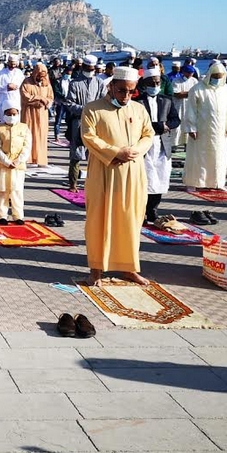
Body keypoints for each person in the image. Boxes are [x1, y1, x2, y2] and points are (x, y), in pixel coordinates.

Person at [81, 66, 155, 286]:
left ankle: (129, 268)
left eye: (131, 91)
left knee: (130, 219)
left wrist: (135, 151)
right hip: (103, 173)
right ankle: (96, 270)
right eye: (122, 90)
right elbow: (88, 137)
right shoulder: (93, 109)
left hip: (132, 173)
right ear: (111, 86)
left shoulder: (139, 109)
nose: (126, 96)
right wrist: (115, 152)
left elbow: (148, 135)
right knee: (99, 219)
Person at [135, 68, 181, 223]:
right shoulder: (137, 102)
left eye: (158, 83)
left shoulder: (166, 100)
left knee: (159, 180)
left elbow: (176, 120)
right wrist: (159, 126)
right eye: (152, 83)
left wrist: (167, 125)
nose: (155, 85)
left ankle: (153, 211)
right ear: (145, 84)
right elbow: (136, 123)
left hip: (162, 146)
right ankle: (141, 212)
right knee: (145, 180)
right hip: (144, 146)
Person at [183, 61, 227, 192]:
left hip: (219, 132)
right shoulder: (198, 89)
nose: (217, 79)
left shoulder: (226, 90)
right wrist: (191, 128)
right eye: (215, 76)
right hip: (201, 131)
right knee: (198, 156)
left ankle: (217, 182)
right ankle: (193, 182)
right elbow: (190, 110)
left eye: (220, 77)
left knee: (219, 156)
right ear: (210, 75)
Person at [63, 55, 107, 192]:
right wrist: (85, 109)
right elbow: (69, 103)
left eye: (92, 68)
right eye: (88, 68)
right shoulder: (74, 83)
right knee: (76, 154)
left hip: (95, 122)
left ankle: (94, 182)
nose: (90, 70)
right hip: (78, 122)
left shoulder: (99, 83)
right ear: (83, 67)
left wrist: (96, 111)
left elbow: (104, 100)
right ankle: (73, 184)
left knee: (95, 154)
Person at [0, 99, 32, 224]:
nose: (11, 116)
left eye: (14, 114)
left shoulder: (24, 128)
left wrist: (18, 161)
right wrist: (6, 161)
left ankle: (18, 216)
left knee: (17, 191)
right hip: (3, 165)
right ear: (4, 114)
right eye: (9, 114)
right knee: (1, 190)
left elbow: (27, 147)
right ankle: (2, 215)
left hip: (18, 166)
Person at [20, 62, 54, 166]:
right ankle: (28, 157)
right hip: (29, 113)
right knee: (29, 134)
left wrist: (45, 102)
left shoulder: (47, 83)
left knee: (41, 135)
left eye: (43, 76)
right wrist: (40, 99)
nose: (41, 78)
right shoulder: (27, 82)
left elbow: (51, 98)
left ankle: (40, 158)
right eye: (39, 75)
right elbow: (25, 97)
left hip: (42, 114)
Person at [169, 64, 199, 148]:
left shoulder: (194, 81)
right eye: (189, 72)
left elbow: (197, 93)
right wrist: (190, 93)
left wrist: (186, 93)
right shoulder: (176, 80)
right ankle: (174, 144)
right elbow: (177, 94)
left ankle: (187, 144)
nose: (190, 74)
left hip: (190, 106)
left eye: (192, 73)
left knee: (189, 123)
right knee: (177, 126)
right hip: (179, 106)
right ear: (184, 72)